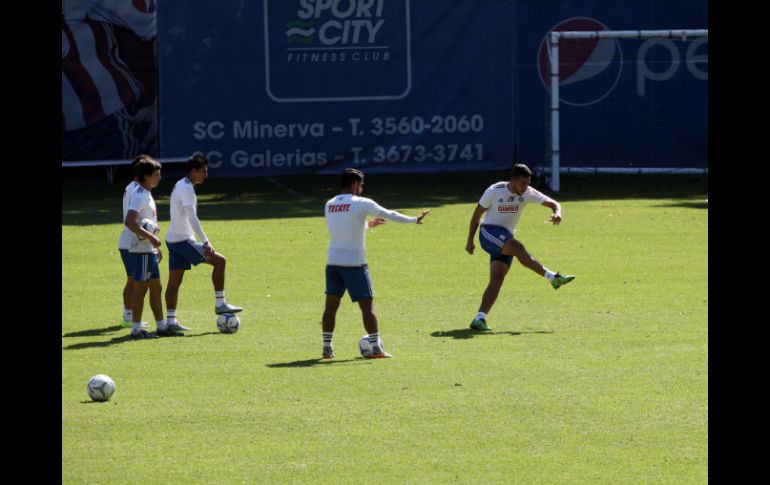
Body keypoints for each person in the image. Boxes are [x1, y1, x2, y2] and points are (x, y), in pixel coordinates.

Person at [321, 168, 430, 359]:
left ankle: (327, 348)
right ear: (355, 183)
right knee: (367, 307)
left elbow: (343, 226)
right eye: (361, 185)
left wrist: (368, 225)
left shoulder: (330, 204)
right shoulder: (362, 203)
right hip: (355, 264)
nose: (362, 189)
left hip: (333, 263)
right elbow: (389, 214)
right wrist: (414, 219)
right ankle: (377, 348)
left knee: (331, 306)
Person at [465, 163, 575, 331]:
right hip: (488, 233)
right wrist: (470, 241)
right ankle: (552, 277)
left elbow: (554, 203)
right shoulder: (495, 191)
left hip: (505, 239)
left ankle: (479, 318)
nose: (525, 187)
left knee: (497, 279)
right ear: (513, 180)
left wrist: (557, 213)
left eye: (527, 183)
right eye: (522, 183)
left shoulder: (528, 193)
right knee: (517, 248)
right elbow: (477, 215)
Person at [164, 155, 241, 333]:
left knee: (174, 283)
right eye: (203, 171)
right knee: (220, 261)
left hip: (174, 240)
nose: (206, 174)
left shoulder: (182, 184)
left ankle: (171, 322)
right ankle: (220, 303)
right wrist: (205, 241)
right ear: (193, 171)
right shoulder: (187, 188)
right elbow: (192, 217)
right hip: (183, 241)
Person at [123, 156, 173, 338]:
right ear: (145, 176)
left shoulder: (147, 194)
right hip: (141, 251)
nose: (159, 177)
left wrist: (154, 245)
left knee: (156, 287)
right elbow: (129, 221)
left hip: (148, 250)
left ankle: (161, 327)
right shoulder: (139, 196)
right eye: (156, 174)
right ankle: (136, 330)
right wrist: (151, 237)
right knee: (140, 289)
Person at [117, 155, 147, 329]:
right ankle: (130, 317)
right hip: (131, 242)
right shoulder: (136, 190)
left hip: (129, 241)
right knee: (136, 281)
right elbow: (132, 218)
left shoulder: (132, 187)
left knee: (132, 280)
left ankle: (129, 316)